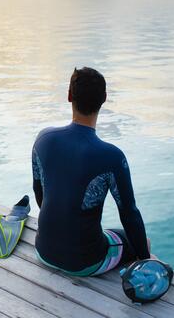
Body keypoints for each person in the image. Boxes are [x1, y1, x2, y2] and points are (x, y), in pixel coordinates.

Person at [32, 67, 151, 276]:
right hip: (85, 262)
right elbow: (129, 215)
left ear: (69, 96)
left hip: (43, 251)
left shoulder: (43, 139)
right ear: (104, 99)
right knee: (143, 242)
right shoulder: (111, 156)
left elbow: (39, 193)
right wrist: (145, 259)